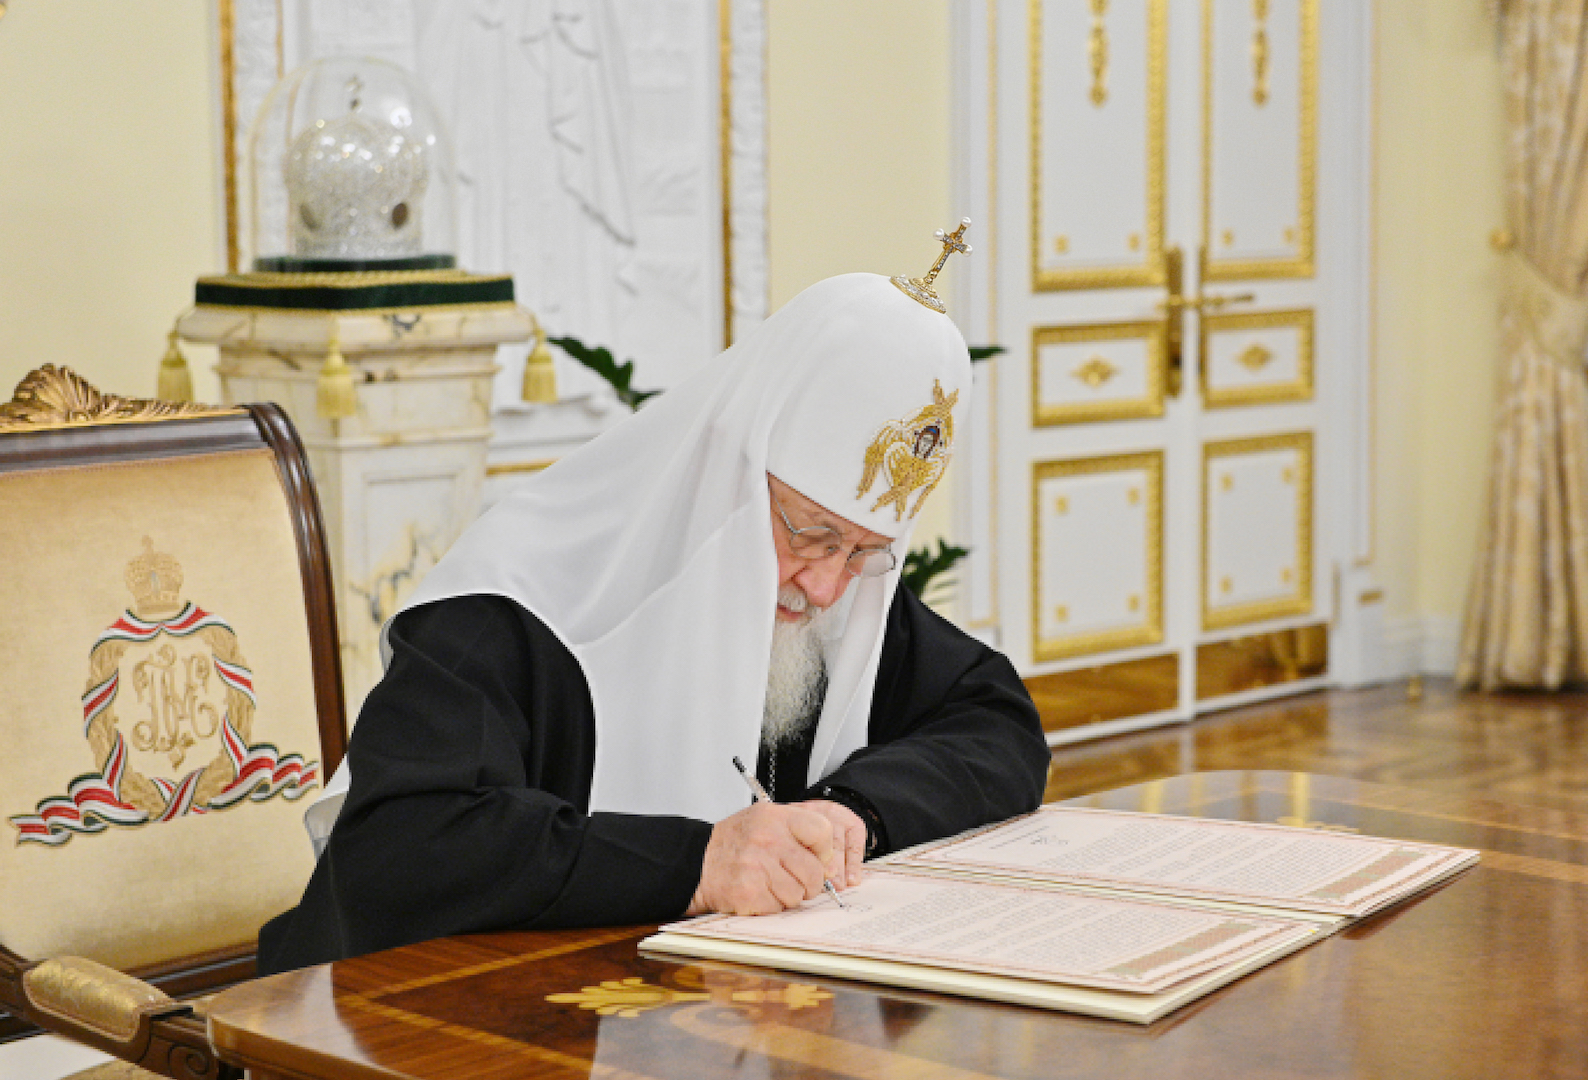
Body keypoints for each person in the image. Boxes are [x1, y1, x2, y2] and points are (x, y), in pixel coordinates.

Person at [257, 259, 1050, 974]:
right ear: (731, 477)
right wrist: (694, 864)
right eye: (812, 533)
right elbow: (401, 847)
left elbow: (998, 725)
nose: (830, 588)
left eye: (866, 552)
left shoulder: (828, 587)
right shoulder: (519, 602)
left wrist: (853, 814)